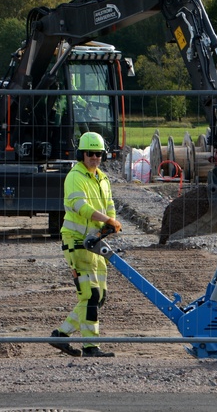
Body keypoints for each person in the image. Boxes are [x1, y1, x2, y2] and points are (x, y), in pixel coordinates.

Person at [50, 131, 121, 358]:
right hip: (76, 242)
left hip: (95, 243)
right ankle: (90, 346)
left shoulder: (103, 178)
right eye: (90, 153)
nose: (94, 157)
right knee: (89, 295)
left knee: (98, 297)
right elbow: (80, 207)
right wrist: (107, 220)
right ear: (82, 154)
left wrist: (111, 221)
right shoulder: (75, 177)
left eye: (99, 154)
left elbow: (109, 204)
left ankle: (61, 335)